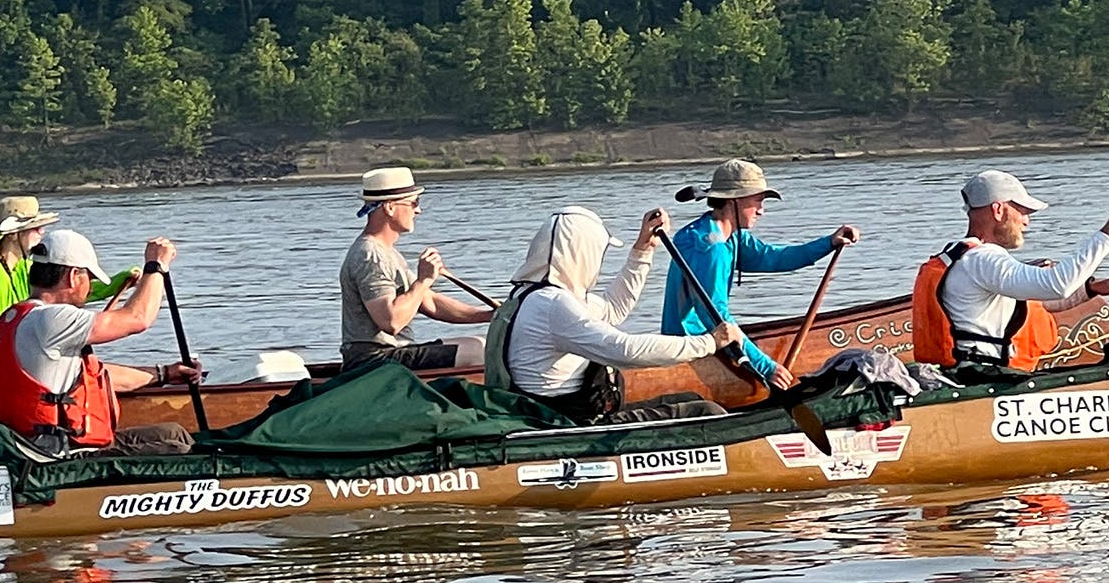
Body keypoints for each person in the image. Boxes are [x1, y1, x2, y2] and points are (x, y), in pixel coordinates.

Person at [484, 206, 739, 424]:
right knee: (707, 412)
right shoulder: (553, 304)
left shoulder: (531, 295)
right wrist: (709, 343)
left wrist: (644, 249)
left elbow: (614, 308)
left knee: (692, 400)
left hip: (576, 408)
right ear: (583, 253)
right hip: (573, 421)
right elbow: (625, 351)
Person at [0, 229, 205, 456]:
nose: (89, 287)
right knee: (178, 450)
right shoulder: (50, 319)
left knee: (173, 433)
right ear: (73, 276)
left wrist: (164, 374)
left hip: (50, 443)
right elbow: (138, 318)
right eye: (89, 278)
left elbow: (96, 376)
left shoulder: (18, 317)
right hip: (56, 454)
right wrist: (156, 265)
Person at [659, 159, 861, 387]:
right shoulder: (707, 246)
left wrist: (829, 243)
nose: (762, 211)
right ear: (734, 201)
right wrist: (765, 367)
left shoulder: (731, 237)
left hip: (712, 340)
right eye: (757, 201)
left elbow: (774, 257)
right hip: (691, 347)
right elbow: (716, 316)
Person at [911, 169, 1109, 371]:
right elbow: (1057, 286)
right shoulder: (983, 259)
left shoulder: (959, 255)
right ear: (998, 210)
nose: (1026, 221)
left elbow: (1038, 300)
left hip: (972, 371)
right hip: (985, 377)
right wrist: (1108, 234)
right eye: (1022, 211)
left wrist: (1091, 288)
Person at [0, 195, 129, 394]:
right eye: (34, 227)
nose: (42, 232)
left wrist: (117, 283)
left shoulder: (21, 267)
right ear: (13, 234)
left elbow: (62, 290)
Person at [339, 166, 494, 371]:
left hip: (392, 354)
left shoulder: (387, 252)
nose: (418, 210)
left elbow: (430, 302)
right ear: (389, 207)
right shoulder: (371, 256)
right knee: (477, 352)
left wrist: (489, 315)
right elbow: (391, 321)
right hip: (374, 360)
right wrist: (424, 280)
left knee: (481, 344)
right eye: (414, 203)